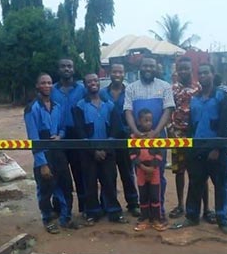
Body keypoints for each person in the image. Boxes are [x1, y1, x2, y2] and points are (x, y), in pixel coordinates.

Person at [172, 63, 227, 234]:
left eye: (206, 72)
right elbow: (192, 125)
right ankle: (192, 216)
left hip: (216, 149)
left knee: (221, 184)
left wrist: (217, 148)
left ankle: (223, 219)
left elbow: (225, 123)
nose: (203, 76)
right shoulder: (195, 98)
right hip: (197, 149)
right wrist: (191, 146)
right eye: (200, 73)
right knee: (195, 183)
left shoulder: (222, 96)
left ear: (213, 74)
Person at [24, 73, 80, 234]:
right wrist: (42, 164)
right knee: (46, 189)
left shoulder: (57, 106)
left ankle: (65, 218)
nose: (47, 86)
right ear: (37, 86)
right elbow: (33, 138)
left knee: (65, 186)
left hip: (58, 152)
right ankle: (47, 218)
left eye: (49, 83)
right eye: (43, 83)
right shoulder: (32, 109)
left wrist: (60, 135)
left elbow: (63, 127)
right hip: (44, 155)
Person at [124, 55, 175, 220]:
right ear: (140, 67)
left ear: (157, 68)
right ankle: (145, 213)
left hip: (158, 137)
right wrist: (135, 132)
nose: (148, 69)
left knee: (158, 174)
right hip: (137, 138)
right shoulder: (131, 88)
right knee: (139, 173)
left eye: (151, 66)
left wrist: (156, 131)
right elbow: (128, 112)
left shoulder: (165, 87)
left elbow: (168, 110)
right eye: (145, 66)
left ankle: (158, 211)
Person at [73, 73, 128, 225]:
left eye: (95, 80)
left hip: (108, 153)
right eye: (89, 81)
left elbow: (116, 129)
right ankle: (92, 213)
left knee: (110, 182)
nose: (93, 83)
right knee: (90, 184)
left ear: (99, 83)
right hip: (88, 154)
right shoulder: (80, 106)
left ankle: (114, 212)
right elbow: (80, 132)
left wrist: (105, 149)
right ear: (85, 85)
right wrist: (93, 151)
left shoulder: (109, 104)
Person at [168, 57, 214, 223]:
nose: (184, 71)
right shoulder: (172, 89)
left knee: (201, 173)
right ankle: (181, 205)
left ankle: (207, 209)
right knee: (179, 171)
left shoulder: (199, 88)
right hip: (177, 135)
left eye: (186, 68)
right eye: (181, 69)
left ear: (191, 70)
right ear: (177, 70)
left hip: (195, 136)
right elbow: (168, 111)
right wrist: (170, 131)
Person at [99, 63, 140, 217]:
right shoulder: (102, 93)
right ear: (110, 73)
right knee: (108, 174)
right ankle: (107, 204)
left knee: (127, 172)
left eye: (120, 71)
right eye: (114, 71)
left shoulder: (130, 92)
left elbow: (135, 114)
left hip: (125, 139)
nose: (117, 74)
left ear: (124, 74)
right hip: (108, 138)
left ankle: (133, 204)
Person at [50, 58, 87, 212]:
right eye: (63, 66)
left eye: (69, 66)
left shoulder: (82, 89)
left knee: (81, 173)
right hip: (57, 136)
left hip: (77, 134)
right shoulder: (51, 90)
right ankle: (60, 208)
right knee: (59, 174)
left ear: (74, 69)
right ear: (58, 70)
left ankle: (85, 208)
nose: (66, 69)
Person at [130, 109, 167, 232]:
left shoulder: (157, 136)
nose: (149, 123)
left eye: (150, 121)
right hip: (141, 171)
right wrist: (143, 167)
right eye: (146, 120)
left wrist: (152, 168)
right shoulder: (133, 137)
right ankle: (144, 218)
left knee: (155, 196)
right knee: (143, 196)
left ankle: (156, 219)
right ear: (139, 121)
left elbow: (160, 154)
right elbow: (132, 155)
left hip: (154, 171)